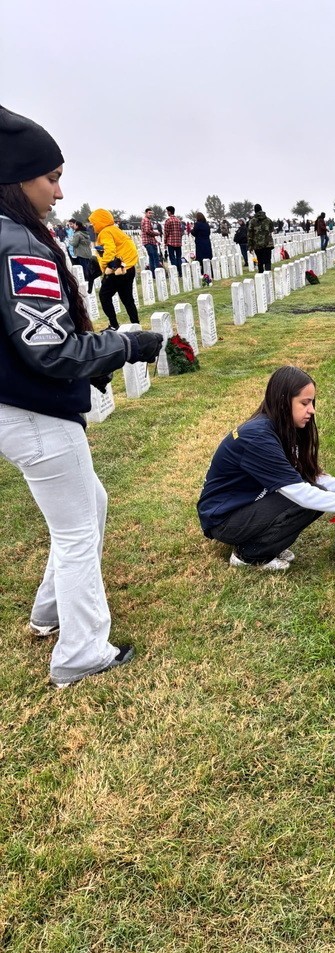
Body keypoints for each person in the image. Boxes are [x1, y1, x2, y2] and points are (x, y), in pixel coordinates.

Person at [0, 105, 163, 687]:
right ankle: (81, 652)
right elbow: (51, 350)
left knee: (88, 507)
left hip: (17, 406)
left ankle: (47, 614)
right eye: (51, 178)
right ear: (17, 178)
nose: (61, 192)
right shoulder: (19, 245)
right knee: (75, 534)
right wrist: (124, 346)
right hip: (34, 410)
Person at [198, 366, 335, 570]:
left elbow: (311, 474)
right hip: (223, 519)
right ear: (283, 401)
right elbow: (301, 493)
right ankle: (249, 554)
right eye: (304, 403)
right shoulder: (258, 437)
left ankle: (265, 543)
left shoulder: (281, 427)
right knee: (308, 500)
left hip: (243, 506)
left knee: (315, 492)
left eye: (312, 402)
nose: (312, 410)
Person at [88, 208, 140, 329]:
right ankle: (136, 324)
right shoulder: (115, 229)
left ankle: (114, 325)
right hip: (128, 267)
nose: (92, 225)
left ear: (100, 221)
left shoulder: (105, 232)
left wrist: (104, 266)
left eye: (94, 222)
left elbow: (110, 251)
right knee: (127, 298)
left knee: (104, 295)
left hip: (116, 269)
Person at [248, 203, 274, 273]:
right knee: (268, 260)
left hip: (257, 244)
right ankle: (268, 275)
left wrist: (250, 246)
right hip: (268, 243)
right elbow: (271, 230)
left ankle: (261, 275)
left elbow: (250, 234)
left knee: (260, 261)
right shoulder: (268, 220)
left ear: (255, 210)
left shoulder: (252, 221)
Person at [69, 219, 93, 284]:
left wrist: (69, 241)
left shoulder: (77, 234)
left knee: (83, 267)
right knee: (88, 267)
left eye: (75, 225)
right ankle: (90, 278)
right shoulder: (85, 233)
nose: (74, 226)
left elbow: (74, 243)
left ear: (77, 226)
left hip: (81, 253)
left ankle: (86, 279)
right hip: (88, 252)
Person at [163, 205, 183, 275]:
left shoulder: (168, 221)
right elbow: (181, 231)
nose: (167, 213)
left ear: (169, 212)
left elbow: (166, 233)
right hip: (178, 242)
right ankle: (180, 272)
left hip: (171, 242)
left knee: (172, 258)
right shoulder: (178, 220)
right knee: (178, 257)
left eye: (167, 212)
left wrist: (165, 242)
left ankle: (175, 272)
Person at [141, 206, 161, 272]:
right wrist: (157, 233)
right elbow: (148, 231)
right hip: (148, 242)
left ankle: (153, 272)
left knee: (152, 257)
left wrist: (156, 241)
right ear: (146, 213)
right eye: (149, 213)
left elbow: (149, 233)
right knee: (154, 258)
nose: (151, 214)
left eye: (151, 213)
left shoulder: (147, 220)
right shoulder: (146, 220)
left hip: (150, 241)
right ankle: (156, 272)